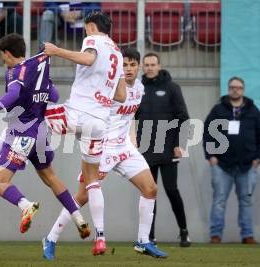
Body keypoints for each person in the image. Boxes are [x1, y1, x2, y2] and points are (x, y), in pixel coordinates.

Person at [41, 48, 167, 260]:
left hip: (124, 147)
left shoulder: (139, 87)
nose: (128, 69)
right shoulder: (109, 90)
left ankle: (143, 241)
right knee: (81, 196)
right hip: (103, 146)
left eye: (132, 65)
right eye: (124, 65)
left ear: (139, 68)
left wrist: (133, 137)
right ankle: (51, 238)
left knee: (151, 188)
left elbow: (131, 115)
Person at [0, 33, 91, 238]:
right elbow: (55, 96)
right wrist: (40, 91)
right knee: (51, 177)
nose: (2, 59)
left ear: (7, 53)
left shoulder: (16, 72)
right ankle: (79, 219)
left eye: (2, 55)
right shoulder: (38, 70)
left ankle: (26, 205)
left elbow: (14, 93)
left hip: (22, 135)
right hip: (40, 133)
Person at [43, 11, 126, 255]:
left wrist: (56, 51)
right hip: (99, 122)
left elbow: (88, 59)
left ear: (91, 26)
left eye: (86, 28)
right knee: (92, 182)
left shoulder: (93, 40)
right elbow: (120, 95)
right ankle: (100, 237)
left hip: (77, 113)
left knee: (30, 117)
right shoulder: (118, 53)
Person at [134, 52, 191, 247]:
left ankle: (184, 232)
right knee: (149, 192)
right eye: (146, 64)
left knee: (171, 190)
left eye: (153, 64)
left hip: (168, 149)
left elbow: (183, 117)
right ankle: (150, 236)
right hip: (145, 150)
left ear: (159, 66)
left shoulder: (172, 88)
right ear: (143, 67)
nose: (149, 67)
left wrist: (178, 144)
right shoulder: (138, 89)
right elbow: (131, 118)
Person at [203, 76, 260, 244]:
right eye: (232, 87)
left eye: (238, 87)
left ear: (243, 90)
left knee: (246, 202)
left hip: (247, 166)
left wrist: (259, 158)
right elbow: (208, 133)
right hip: (222, 165)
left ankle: (248, 235)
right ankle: (215, 235)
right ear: (228, 89)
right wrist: (211, 157)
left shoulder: (253, 110)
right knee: (219, 201)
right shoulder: (218, 110)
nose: (235, 90)